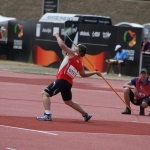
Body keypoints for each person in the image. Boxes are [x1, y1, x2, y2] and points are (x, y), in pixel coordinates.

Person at [37, 33, 102, 122]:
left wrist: (57, 35)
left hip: (62, 80)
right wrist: (94, 72)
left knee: (45, 94)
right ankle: (85, 114)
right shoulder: (80, 63)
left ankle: (47, 115)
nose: (74, 47)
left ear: (79, 51)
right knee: (68, 101)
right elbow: (83, 75)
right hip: (68, 83)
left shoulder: (71, 54)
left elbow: (61, 45)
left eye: (76, 47)